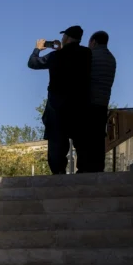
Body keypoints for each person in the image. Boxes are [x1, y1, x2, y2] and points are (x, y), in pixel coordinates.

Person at [28, 25, 92, 174]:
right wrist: (61, 50)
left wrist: (37, 49)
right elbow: (72, 58)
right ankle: (83, 177)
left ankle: (59, 178)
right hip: (80, 106)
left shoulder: (55, 56)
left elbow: (32, 63)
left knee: (57, 148)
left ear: (67, 38)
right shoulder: (86, 54)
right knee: (82, 145)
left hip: (57, 107)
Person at [81, 31, 116, 172]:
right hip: (103, 103)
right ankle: (98, 168)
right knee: (98, 137)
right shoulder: (111, 58)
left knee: (85, 138)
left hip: (89, 102)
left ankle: (85, 168)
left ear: (93, 42)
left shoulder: (90, 55)